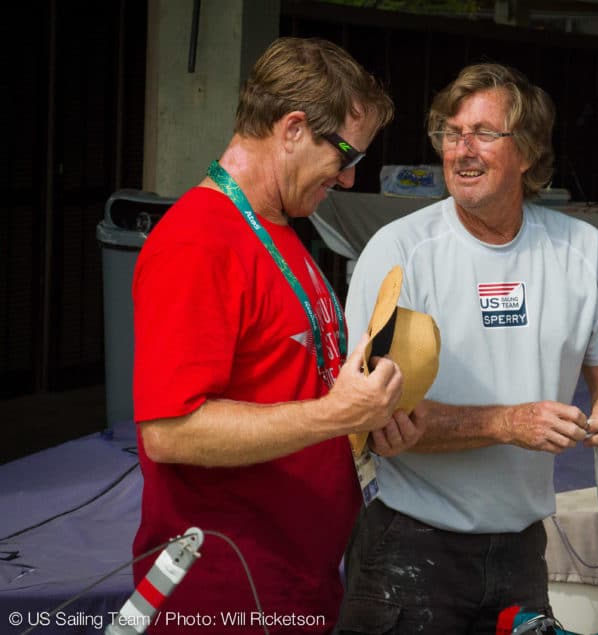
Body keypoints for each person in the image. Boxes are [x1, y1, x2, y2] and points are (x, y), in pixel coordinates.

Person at [335, 63, 598, 634]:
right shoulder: (400, 251)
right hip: (409, 546)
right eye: (452, 134)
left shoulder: (582, 250)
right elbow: (372, 419)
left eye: (483, 133)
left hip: (522, 553)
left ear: (527, 152)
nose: (461, 150)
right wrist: (507, 422)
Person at [131, 37, 421, 633]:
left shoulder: (280, 227)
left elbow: (293, 388)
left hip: (294, 582)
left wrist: (368, 421)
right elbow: (168, 431)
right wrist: (336, 416)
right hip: (223, 595)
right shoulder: (198, 240)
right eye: (344, 155)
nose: (347, 179)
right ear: (292, 128)